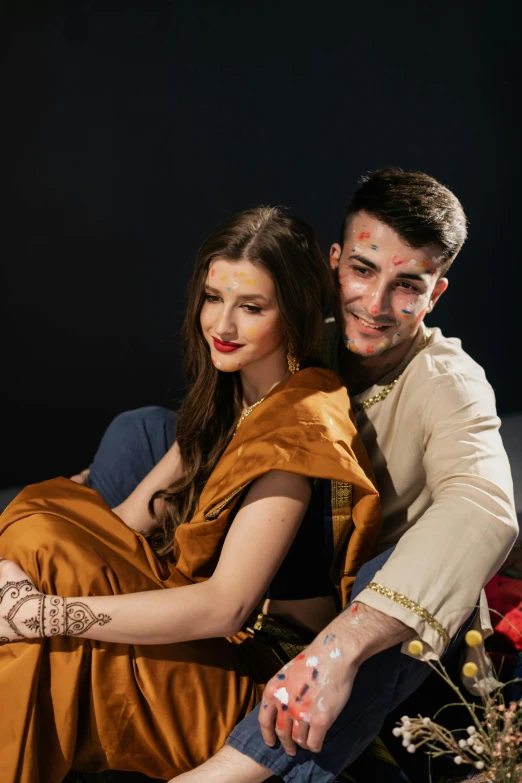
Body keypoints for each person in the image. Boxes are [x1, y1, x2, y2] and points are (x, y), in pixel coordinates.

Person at [70, 168, 517, 783]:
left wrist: (340, 647)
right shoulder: (308, 336)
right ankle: (78, 596)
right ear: (335, 262)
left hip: (348, 620)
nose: (375, 304)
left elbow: (482, 508)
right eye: (362, 270)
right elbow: (225, 418)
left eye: (406, 284)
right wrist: (72, 511)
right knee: (141, 431)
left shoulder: (451, 384)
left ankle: (237, 767)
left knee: (412, 588)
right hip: (261, 564)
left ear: (435, 294)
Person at [0, 207, 383, 783]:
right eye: (212, 298)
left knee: (45, 601)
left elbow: (225, 606)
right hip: (206, 635)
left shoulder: (297, 434)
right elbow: (124, 527)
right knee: (43, 536)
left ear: (296, 313)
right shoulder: (233, 396)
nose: (221, 325)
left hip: (251, 677)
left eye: (251, 308)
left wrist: (44, 613)